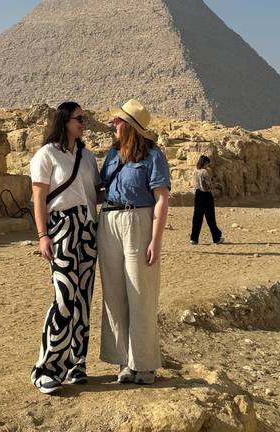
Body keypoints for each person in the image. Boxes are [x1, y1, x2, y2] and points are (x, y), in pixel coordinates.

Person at [97, 99, 170, 386]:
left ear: (129, 126)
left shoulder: (153, 156)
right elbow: (102, 192)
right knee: (114, 295)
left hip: (138, 223)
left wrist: (156, 239)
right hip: (109, 222)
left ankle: (145, 364)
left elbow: (162, 198)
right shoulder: (112, 156)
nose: (113, 124)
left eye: (118, 121)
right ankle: (124, 362)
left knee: (141, 292)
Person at [30, 101, 101, 395]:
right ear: (65, 120)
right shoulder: (46, 155)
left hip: (87, 229)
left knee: (83, 299)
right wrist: (42, 234)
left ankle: (76, 362)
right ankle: (46, 369)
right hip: (61, 229)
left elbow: (95, 193)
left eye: (85, 118)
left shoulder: (88, 157)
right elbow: (38, 198)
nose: (84, 122)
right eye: (79, 118)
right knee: (63, 298)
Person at [189, 154, 222, 245]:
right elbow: (209, 185)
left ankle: (194, 238)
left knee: (197, 217)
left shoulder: (195, 171)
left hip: (197, 194)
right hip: (206, 195)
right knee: (210, 217)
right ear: (205, 163)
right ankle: (216, 238)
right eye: (208, 163)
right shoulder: (205, 172)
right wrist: (215, 184)